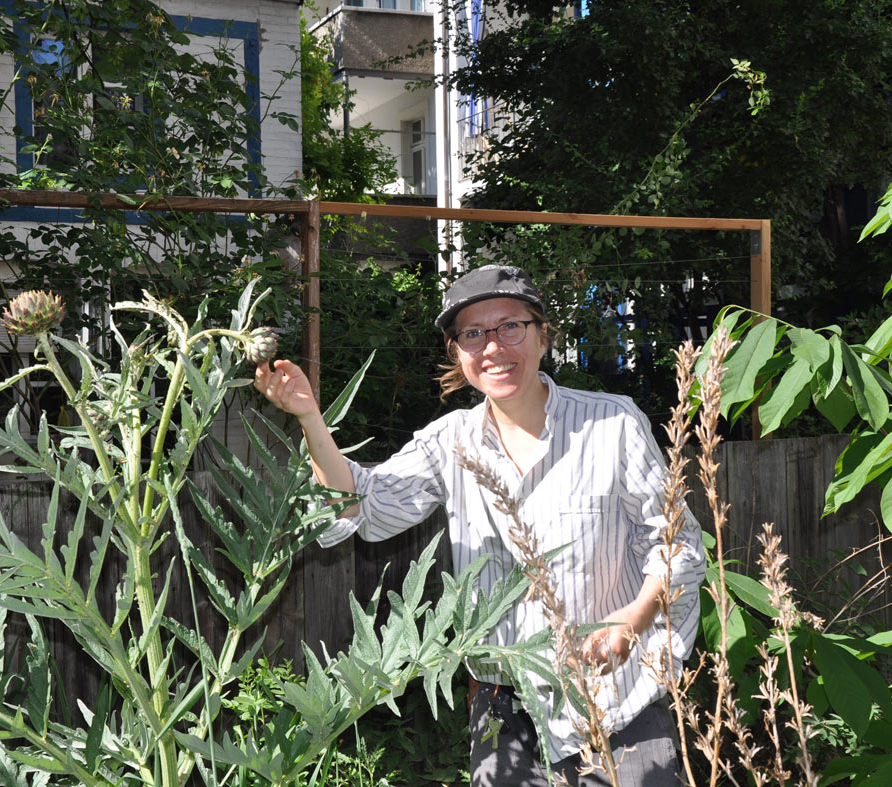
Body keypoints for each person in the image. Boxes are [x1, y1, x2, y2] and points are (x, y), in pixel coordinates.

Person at [253, 264, 705, 786]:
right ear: (458, 353)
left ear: (542, 336)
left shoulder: (613, 424)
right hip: (503, 710)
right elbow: (362, 506)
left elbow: (676, 543)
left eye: (510, 326)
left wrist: (631, 617)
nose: (494, 346)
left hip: (617, 699)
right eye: (474, 334)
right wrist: (311, 418)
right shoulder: (450, 442)